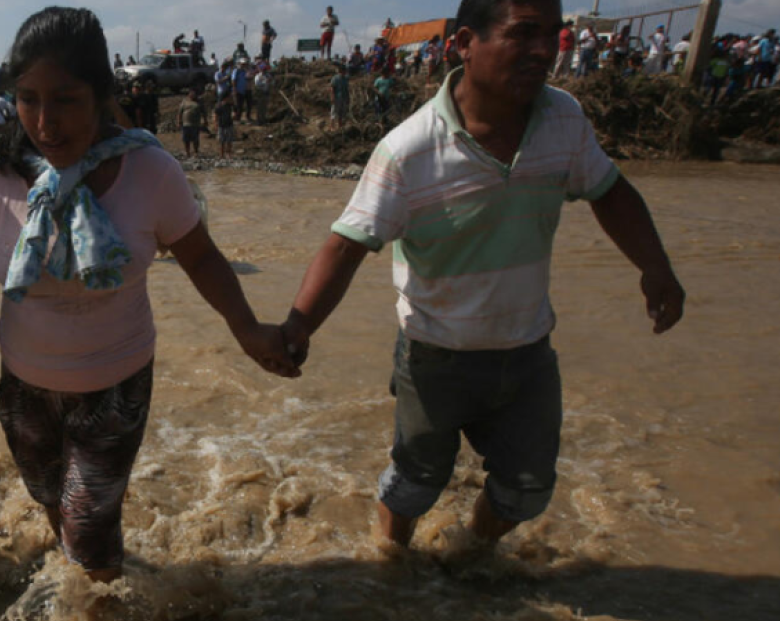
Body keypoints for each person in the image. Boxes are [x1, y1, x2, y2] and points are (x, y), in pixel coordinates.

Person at [0, 7, 295, 593]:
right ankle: (82, 575)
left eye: (66, 99)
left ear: (103, 95)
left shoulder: (149, 171)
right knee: (52, 500)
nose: (44, 122)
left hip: (116, 384)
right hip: (26, 386)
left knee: (89, 525)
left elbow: (203, 258)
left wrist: (248, 329)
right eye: (27, 99)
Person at [281, 0, 684, 554]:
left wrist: (656, 267)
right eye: (524, 34)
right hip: (436, 354)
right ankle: (387, 556)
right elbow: (348, 245)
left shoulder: (563, 118)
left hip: (528, 352)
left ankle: (471, 552)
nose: (545, 50)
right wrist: (297, 328)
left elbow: (609, 191)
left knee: (527, 488)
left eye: (553, 35)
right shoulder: (409, 150)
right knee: (416, 480)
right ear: (465, 43)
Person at [178, 86, 204, 156]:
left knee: (195, 139)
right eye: (191, 93)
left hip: (195, 124)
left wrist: (205, 120)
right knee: (186, 139)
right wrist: (179, 121)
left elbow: (204, 112)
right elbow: (180, 112)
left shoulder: (199, 102)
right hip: (186, 123)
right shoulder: (184, 101)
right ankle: (187, 152)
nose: (192, 94)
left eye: (194, 93)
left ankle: (196, 151)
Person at [214, 91, 235, 156]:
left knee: (229, 140)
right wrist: (216, 123)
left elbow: (235, 112)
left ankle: (229, 154)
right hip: (221, 125)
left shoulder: (231, 105)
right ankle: (222, 154)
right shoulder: (219, 106)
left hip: (229, 124)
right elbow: (216, 115)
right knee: (222, 141)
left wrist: (234, 115)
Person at [329, 61, 348, 129]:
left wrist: (348, 98)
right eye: (344, 70)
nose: (345, 72)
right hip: (337, 98)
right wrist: (332, 97)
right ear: (341, 71)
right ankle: (332, 127)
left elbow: (346, 89)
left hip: (343, 98)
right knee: (334, 112)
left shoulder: (345, 79)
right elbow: (332, 88)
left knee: (341, 113)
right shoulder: (335, 78)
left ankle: (340, 126)